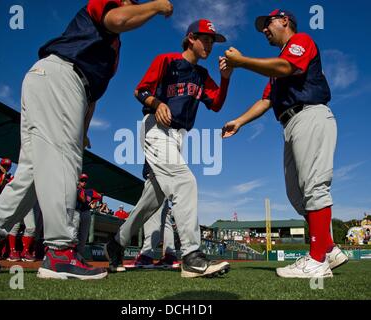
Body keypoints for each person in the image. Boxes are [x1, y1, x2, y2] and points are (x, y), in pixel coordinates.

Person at [0, 0, 174, 280]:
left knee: (31, 170)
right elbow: (119, 19)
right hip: (62, 75)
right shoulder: (112, 14)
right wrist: (157, 5)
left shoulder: (111, 51)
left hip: (57, 81)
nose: (133, 4)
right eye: (132, 2)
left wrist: (83, 130)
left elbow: (91, 97)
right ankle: (60, 252)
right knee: (63, 161)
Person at [221, 9, 348, 278]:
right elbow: (267, 100)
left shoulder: (300, 40)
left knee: (314, 186)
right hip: (290, 123)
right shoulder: (277, 65)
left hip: (310, 113)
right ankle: (329, 249)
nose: (264, 30)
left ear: (284, 21)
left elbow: (289, 67)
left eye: (267, 24)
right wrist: (240, 121)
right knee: (296, 194)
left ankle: (317, 260)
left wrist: (242, 61)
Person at [105, 19, 233, 278]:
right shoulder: (167, 60)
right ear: (190, 39)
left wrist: (225, 77)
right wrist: (156, 103)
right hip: (156, 128)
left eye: (212, 40)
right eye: (205, 38)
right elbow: (140, 90)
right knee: (185, 182)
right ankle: (191, 256)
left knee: (153, 198)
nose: (209, 43)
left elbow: (216, 104)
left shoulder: (202, 75)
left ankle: (116, 243)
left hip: (178, 136)